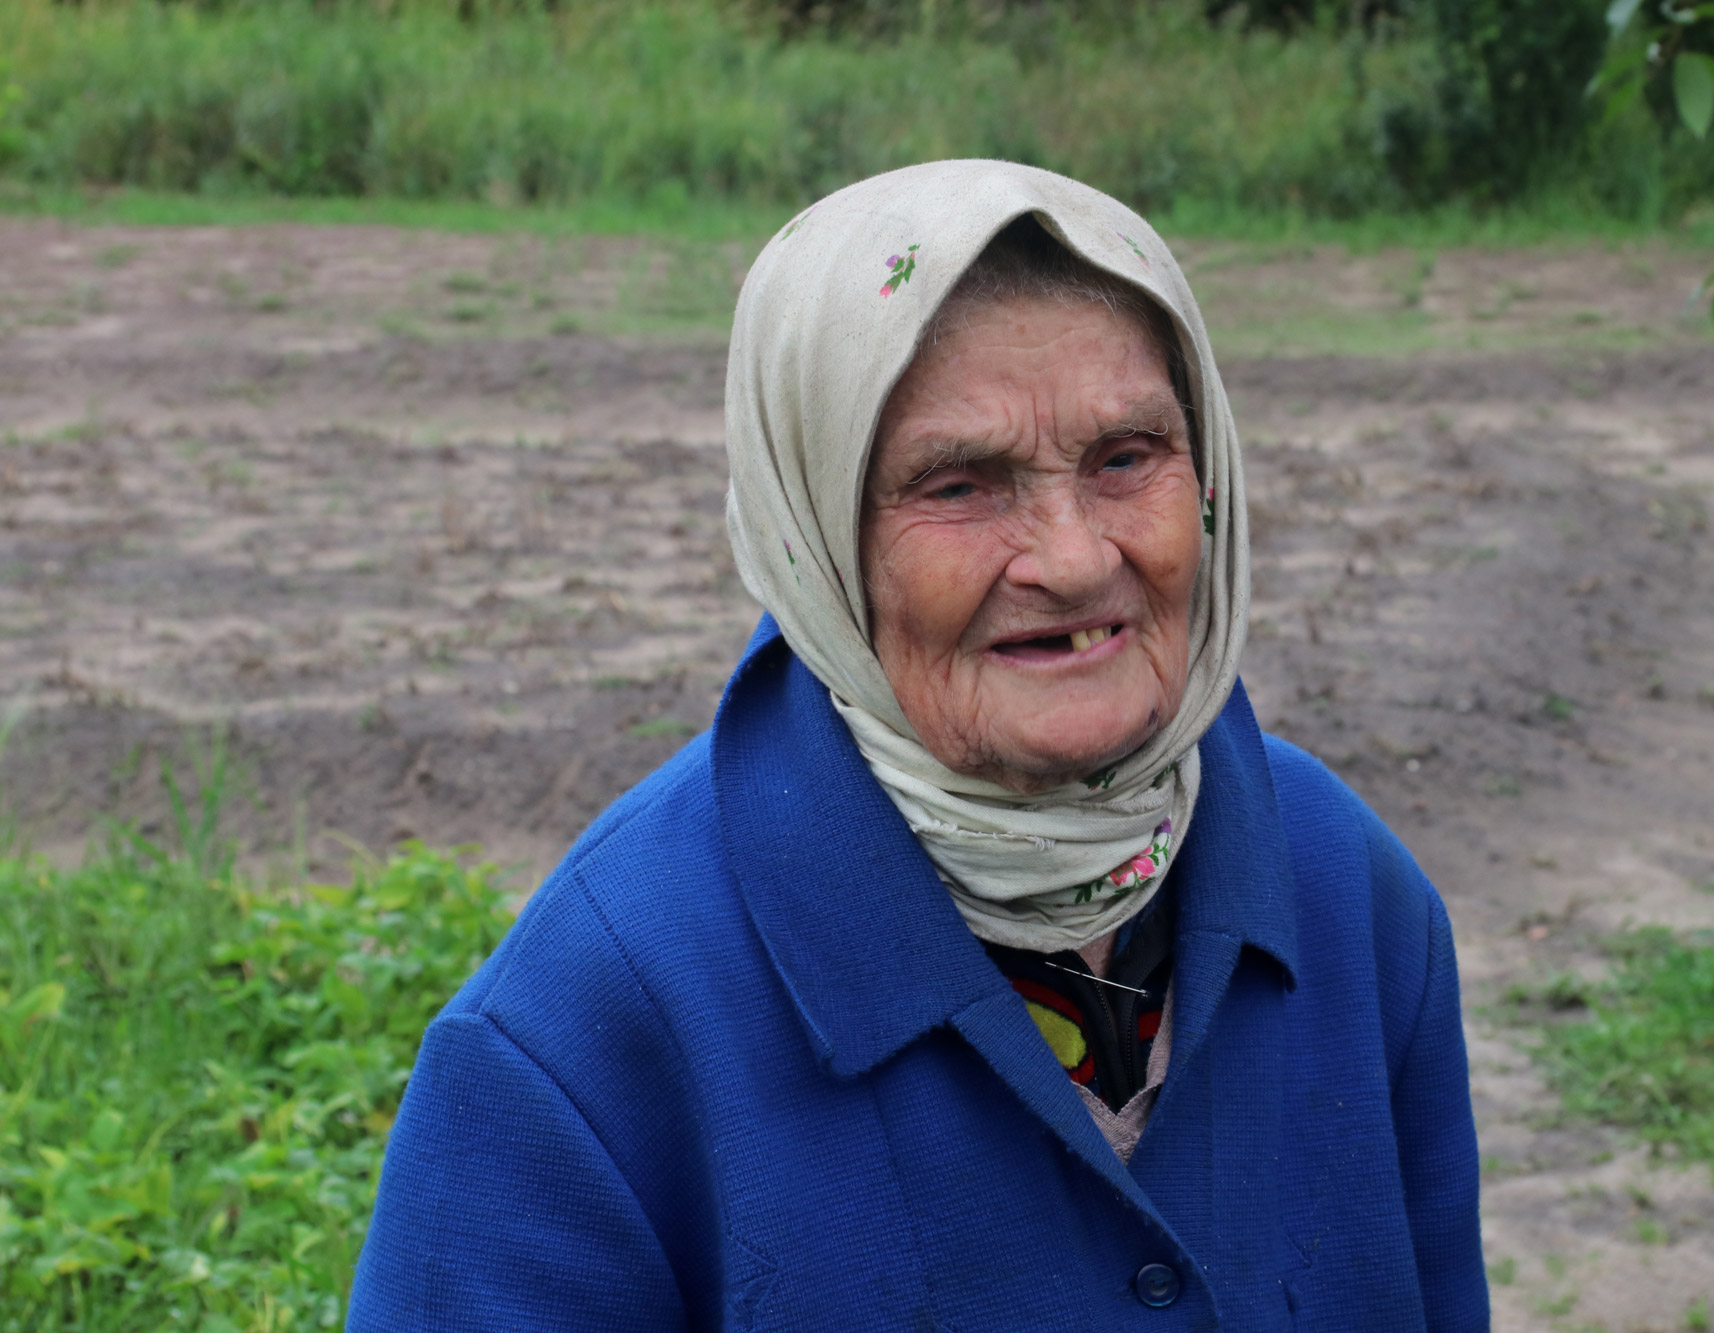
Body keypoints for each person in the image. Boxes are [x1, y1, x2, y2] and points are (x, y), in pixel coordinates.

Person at [347, 160, 1486, 1332]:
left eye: (1125, 457)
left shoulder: (1347, 891)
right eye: (960, 483)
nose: (1074, 556)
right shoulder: (584, 1027)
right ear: (817, 542)